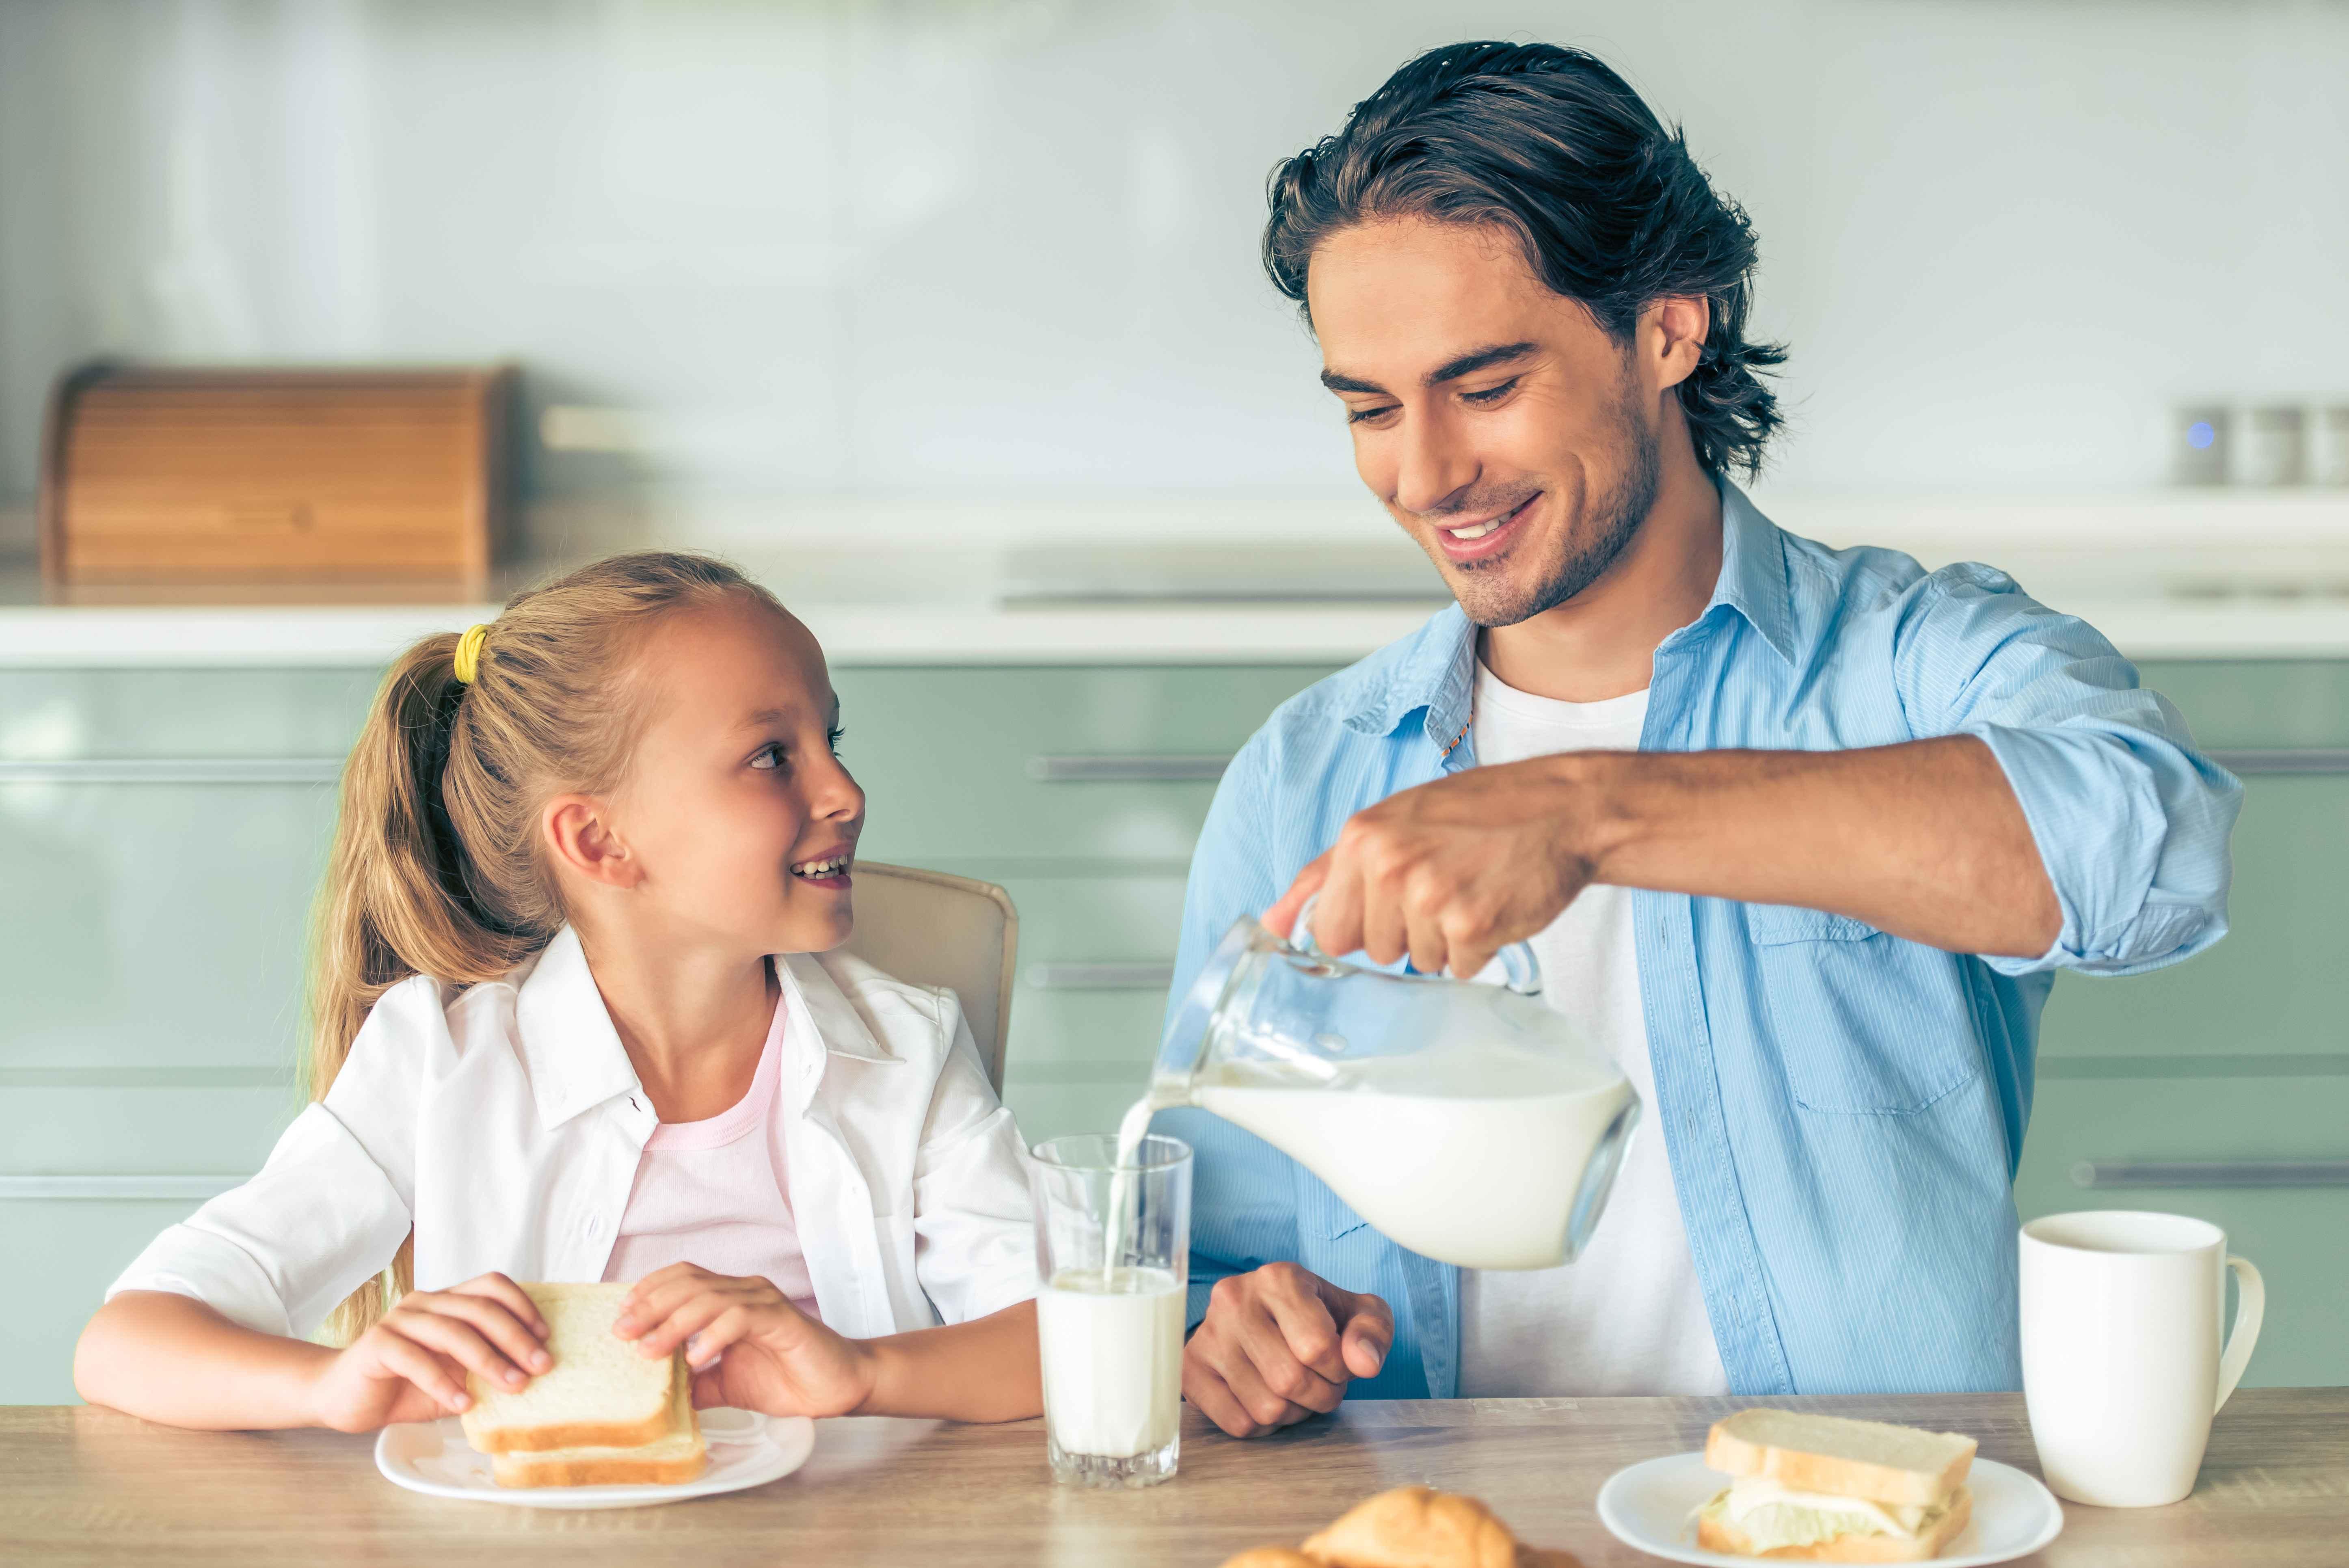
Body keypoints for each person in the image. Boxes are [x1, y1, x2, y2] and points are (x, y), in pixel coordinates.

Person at [1161, 41, 2239, 1437]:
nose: (1421, 475)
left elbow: (2150, 853)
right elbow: (1205, 1261)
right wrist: (1235, 1332)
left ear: (1667, 330)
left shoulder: (1907, 666)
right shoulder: (1307, 773)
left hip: (1853, 1519)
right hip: (1447, 1523)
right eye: (1370, 407)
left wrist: (1589, 810)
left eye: (1483, 387)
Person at [75, 552, 1042, 1433]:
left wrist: (860, 1371)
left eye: (827, 738)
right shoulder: (442, 1059)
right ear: (598, 842)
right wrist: (328, 1386)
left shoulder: (908, 1051)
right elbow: (127, 1341)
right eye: (771, 756)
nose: (845, 790)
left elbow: (1069, 1335)